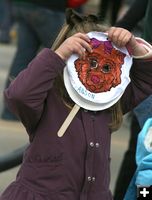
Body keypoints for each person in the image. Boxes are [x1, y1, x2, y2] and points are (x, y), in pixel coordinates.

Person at [1, 8, 152, 200]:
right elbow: (18, 96)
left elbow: (146, 80)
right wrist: (57, 56)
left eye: (106, 66)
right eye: (87, 61)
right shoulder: (48, 98)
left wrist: (134, 46)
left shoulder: (111, 101)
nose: (96, 73)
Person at [1, 0, 66, 121]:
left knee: (22, 58)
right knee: (61, 58)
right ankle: (60, 115)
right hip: (49, 8)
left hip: (24, 5)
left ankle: (10, 111)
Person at [113, 0, 152, 199]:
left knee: (139, 155)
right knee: (145, 161)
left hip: (147, 80)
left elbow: (127, 19)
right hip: (148, 81)